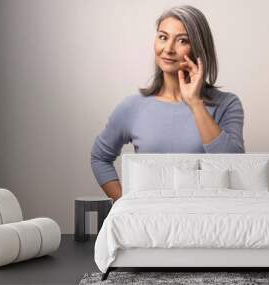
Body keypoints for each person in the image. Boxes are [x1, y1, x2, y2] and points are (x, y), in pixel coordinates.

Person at [90, 5, 245, 202]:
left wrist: (195, 103)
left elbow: (236, 167)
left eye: (182, 40)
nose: (168, 49)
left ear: (199, 48)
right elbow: (100, 158)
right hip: (150, 222)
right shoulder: (132, 107)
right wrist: (125, 201)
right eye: (163, 37)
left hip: (209, 219)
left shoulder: (227, 104)